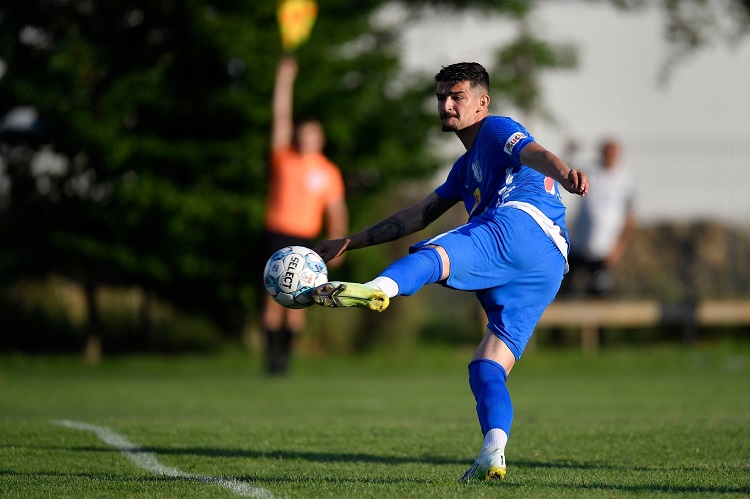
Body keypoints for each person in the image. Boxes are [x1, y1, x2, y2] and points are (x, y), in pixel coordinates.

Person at [309, 62, 589, 481]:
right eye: (441, 97)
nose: (446, 105)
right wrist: (349, 241)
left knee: (436, 254)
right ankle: (493, 452)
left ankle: (376, 289)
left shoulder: (495, 129)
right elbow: (417, 214)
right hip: (550, 263)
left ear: (482, 102)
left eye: (457, 96)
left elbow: (533, 152)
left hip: (521, 225)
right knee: (487, 366)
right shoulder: (464, 169)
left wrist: (565, 172)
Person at [262, 55, 348, 376]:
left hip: (306, 239)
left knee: (298, 304)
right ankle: (270, 362)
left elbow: (336, 212)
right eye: (303, 133)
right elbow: (281, 117)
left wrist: (339, 243)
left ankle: (284, 361)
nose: (306, 138)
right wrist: (285, 79)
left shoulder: (328, 172)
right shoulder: (284, 158)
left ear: (320, 138)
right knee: (272, 300)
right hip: (277, 233)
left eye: (313, 134)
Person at [562, 137, 635, 297]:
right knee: (565, 289)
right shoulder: (590, 171)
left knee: (598, 294)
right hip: (579, 243)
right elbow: (565, 172)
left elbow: (630, 218)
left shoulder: (625, 180)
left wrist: (618, 249)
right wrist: (569, 152)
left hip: (603, 248)